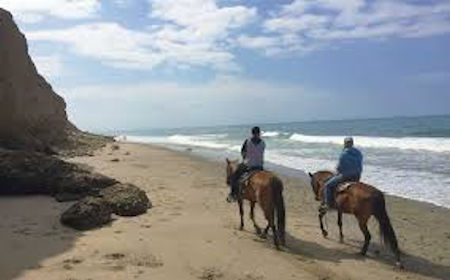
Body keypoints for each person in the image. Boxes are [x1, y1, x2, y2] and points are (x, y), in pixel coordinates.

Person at [320, 137, 363, 213]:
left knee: (328, 185)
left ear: (345, 144)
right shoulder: (358, 153)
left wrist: (337, 172)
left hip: (346, 176)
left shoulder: (344, 153)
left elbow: (340, 167)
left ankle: (328, 205)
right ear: (352, 143)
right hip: (357, 176)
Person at [228, 126, 266, 201]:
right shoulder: (263, 142)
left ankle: (233, 194)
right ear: (259, 133)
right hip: (260, 166)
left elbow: (243, 152)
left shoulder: (247, 141)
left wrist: (245, 158)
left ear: (252, 133)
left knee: (234, 176)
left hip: (249, 165)